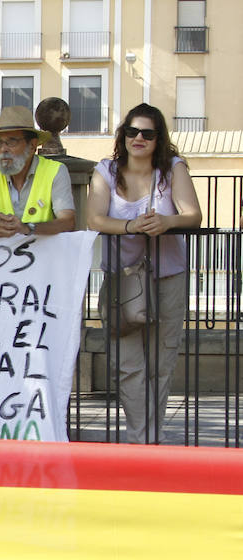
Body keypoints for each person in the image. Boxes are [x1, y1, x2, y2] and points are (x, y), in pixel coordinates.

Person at [87, 103, 202, 444]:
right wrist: (131, 225)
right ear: (122, 135)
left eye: (148, 134)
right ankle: (143, 438)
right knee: (127, 364)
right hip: (122, 279)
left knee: (161, 362)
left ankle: (149, 439)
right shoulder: (105, 171)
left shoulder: (173, 169)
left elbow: (193, 215)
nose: (139, 138)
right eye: (132, 131)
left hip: (167, 276)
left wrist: (167, 222)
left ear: (158, 139)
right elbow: (94, 219)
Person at [0, 106, 76, 237]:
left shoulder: (55, 171)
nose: (3, 149)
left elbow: (67, 222)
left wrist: (28, 229)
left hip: (44, 254)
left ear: (32, 145)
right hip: (0, 255)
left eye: (11, 142)